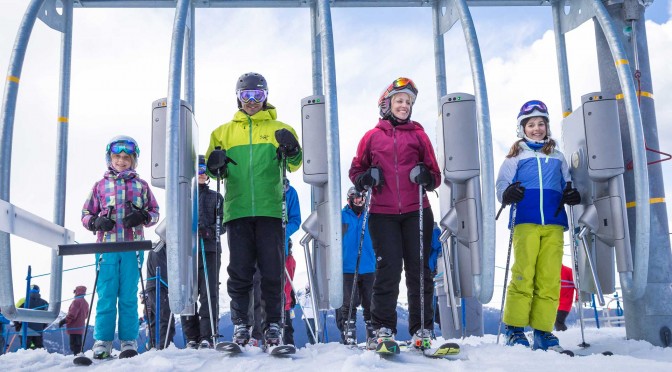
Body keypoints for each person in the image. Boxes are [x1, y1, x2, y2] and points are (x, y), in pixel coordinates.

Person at [206, 72, 302, 348]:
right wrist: (216, 164)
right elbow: (214, 172)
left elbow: (295, 164)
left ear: (265, 96)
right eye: (246, 96)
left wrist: (292, 147)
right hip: (236, 211)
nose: (251, 101)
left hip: (270, 209)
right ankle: (241, 325)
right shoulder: (222, 132)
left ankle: (273, 325)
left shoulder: (280, 128)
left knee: (272, 270)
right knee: (239, 270)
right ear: (238, 98)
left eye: (257, 95)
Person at [349, 77, 441, 350]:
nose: (404, 105)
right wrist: (366, 178)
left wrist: (426, 175)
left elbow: (435, 176)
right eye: (399, 101)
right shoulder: (371, 137)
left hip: (417, 211)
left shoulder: (419, 136)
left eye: (408, 102)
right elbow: (355, 172)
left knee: (419, 270)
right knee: (388, 270)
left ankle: (422, 328)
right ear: (386, 105)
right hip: (381, 213)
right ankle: (383, 329)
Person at [495, 100, 581, 351]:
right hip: (525, 221)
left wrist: (572, 194)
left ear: (547, 127)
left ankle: (543, 330)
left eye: (541, 124)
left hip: (554, 223)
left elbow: (569, 183)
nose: (536, 128)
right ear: (522, 128)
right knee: (524, 274)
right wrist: (508, 193)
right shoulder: (515, 156)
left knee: (549, 277)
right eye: (531, 124)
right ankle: (515, 328)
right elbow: (501, 186)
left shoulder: (557, 157)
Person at [82, 135, 159, 359]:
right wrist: (96, 222)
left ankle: (128, 341)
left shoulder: (141, 186)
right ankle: (103, 341)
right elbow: (86, 214)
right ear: (110, 158)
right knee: (106, 294)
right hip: (106, 247)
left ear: (134, 160)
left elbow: (155, 212)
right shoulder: (100, 186)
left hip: (131, 247)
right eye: (117, 156)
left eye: (127, 157)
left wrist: (142, 216)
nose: (122, 161)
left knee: (127, 294)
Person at [249, 179, 301, 346]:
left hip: (279, 248)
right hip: (257, 246)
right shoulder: (260, 186)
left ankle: (282, 335)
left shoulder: (289, 192)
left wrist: (281, 231)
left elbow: (295, 219)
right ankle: (257, 335)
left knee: (279, 290)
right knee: (256, 289)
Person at [181, 155, 224, 349]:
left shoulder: (216, 197)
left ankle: (208, 334)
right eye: (197, 170)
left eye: (204, 171)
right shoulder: (184, 196)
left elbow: (223, 224)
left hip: (210, 248)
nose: (201, 174)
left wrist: (210, 230)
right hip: (189, 250)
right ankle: (192, 335)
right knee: (189, 292)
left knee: (209, 292)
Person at [337, 187, 375, 345]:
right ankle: (349, 333)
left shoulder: (370, 216)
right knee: (348, 302)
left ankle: (373, 333)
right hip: (347, 267)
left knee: (370, 302)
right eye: (356, 199)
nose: (359, 202)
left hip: (369, 266)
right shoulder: (341, 216)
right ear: (349, 200)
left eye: (362, 199)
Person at [145, 245, 176, 350]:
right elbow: (163, 273)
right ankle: (164, 347)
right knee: (165, 316)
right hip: (158, 286)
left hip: (153, 286)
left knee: (155, 317)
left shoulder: (156, 247)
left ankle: (153, 345)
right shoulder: (160, 249)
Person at [15, 284, 49, 349]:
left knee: (25, 348)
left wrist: (17, 326)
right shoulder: (44, 303)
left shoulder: (23, 300)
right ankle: (40, 358)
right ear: (38, 291)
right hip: (38, 329)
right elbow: (47, 317)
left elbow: (14, 314)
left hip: (25, 328)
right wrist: (42, 326)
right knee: (39, 348)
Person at [58, 285, 89, 355]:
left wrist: (64, 321)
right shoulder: (86, 303)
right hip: (80, 327)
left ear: (77, 292)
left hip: (73, 327)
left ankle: (77, 357)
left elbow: (72, 314)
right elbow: (86, 315)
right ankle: (79, 355)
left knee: (73, 345)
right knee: (78, 344)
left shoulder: (76, 302)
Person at [556, 264, 576, 331]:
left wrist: (578, 298)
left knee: (558, 322)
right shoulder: (550, 272)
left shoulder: (569, 271)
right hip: (554, 303)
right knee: (555, 322)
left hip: (565, 304)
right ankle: (564, 336)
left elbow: (577, 286)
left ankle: (565, 336)